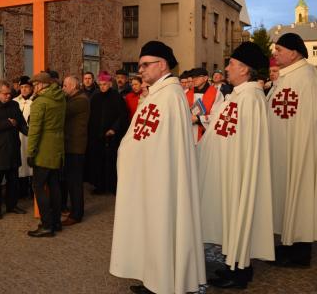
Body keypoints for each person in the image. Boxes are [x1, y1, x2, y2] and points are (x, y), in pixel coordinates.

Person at [110, 41, 205, 294]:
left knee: (162, 227)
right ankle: (154, 280)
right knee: (151, 228)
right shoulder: (157, 95)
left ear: (162, 65)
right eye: (140, 65)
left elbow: (163, 146)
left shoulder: (170, 97)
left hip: (162, 180)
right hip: (149, 177)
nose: (139, 70)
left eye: (144, 65)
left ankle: (163, 284)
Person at [198, 42, 274, 289]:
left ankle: (241, 271)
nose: (226, 68)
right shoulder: (237, 95)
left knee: (238, 218)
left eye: (231, 64)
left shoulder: (251, 98)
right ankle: (232, 264)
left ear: (244, 69)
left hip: (238, 172)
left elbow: (249, 144)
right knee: (230, 219)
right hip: (226, 170)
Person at [267, 32, 317, 267]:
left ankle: (300, 253)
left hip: (300, 149)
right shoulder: (288, 77)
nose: (274, 54)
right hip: (285, 148)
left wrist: (303, 147)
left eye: (279, 50)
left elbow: (314, 119)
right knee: (289, 196)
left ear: (294, 52)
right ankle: (288, 245)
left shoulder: (306, 77)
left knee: (300, 196)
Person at [26, 72, 66, 238]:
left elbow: (34, 130)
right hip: (57, 145)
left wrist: (30, 152)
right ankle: (56, 222)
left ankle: (47, 225)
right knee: (54, 185)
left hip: (43, 148)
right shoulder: (61, 98)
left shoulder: (40, 102)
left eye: (35, 85)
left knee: (38, 186)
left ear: (42, 85)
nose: (33, 88)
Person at [0, 80, 28, 219]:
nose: (8, 96)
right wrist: (7, 123)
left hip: (13, 147)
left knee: (13, 180)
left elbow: (21, 123)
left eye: (10, 93)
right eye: (5, 94)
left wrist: (31, 132)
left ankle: (12, 205)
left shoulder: (14, 105)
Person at [87, 71, 127, 195]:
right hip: (97, 136)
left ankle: (113, 186)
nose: (102, 87)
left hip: (112, 137)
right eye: (100, 84)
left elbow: (122, 116)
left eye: (105, 84)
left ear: (110, 84)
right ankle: (100, 186)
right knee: (98, 161)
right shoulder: (95, 96)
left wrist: (114, 129)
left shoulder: (116, 97)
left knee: (112, 162)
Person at [61, 75, 90, 226]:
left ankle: (76, 214)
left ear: (73, 86)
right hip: (70, 145)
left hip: (75, 147)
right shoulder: (74, 98)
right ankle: (71, 209)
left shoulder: (80, 100)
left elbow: (62, 111)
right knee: (70, 180)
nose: (63, 88)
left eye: (65, 85)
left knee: (75, 182)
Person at [187, 67, 223, 142]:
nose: (194, 79)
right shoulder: (187, 93)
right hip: (189, 134)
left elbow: (217, 116)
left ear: (205, 78)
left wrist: (198, 119)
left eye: (197, 76)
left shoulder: (216, 94)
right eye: (193, 77)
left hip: (206, 135)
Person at [14, 76, 34, 196]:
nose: (24, 89)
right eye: (22, 87)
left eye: (26, 87)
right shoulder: (15, 101)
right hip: (18, 137)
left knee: (30, 161)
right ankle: (22, 189)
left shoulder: (35, 101)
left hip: (30, 136)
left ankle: (32, 189)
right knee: (20, 161)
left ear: (31, 88)